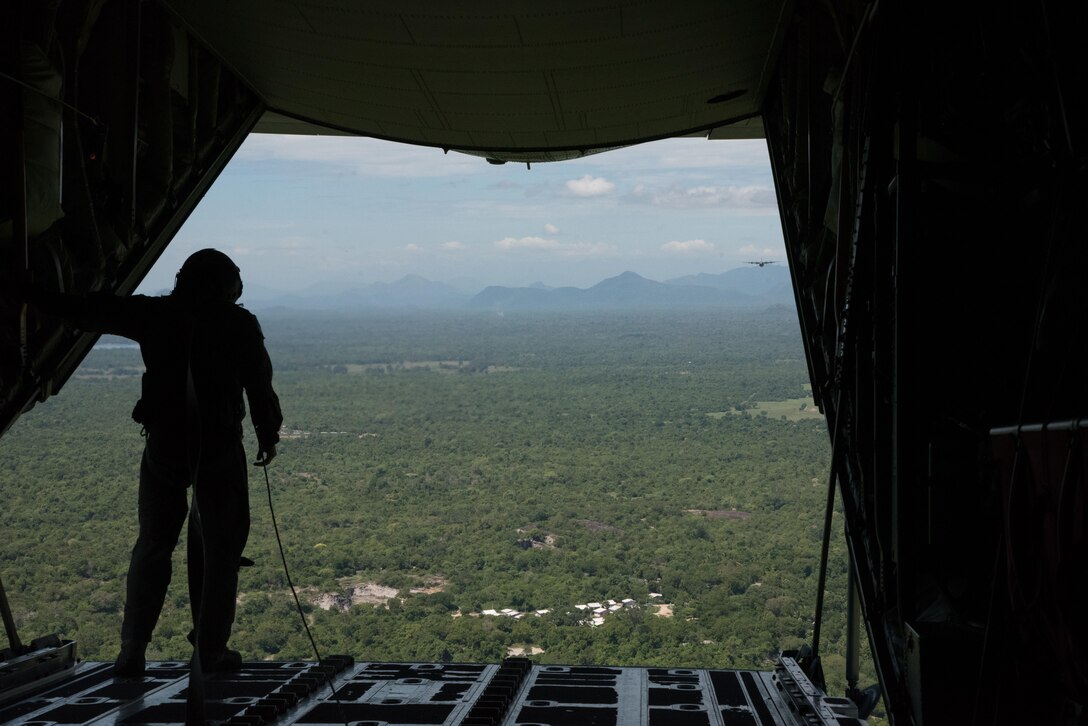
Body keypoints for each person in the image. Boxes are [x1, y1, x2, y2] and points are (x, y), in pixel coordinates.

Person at [28, 249, 282, 676]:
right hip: (218, 447)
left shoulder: (154, 314)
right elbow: (259, 384)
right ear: (226, 286)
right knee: (220, 550)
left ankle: (132, 649)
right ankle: (210, 650)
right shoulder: (238, 323)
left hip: (164, 445)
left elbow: (88, 311)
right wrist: (268, 434)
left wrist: (28, 292)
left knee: (153, 544)